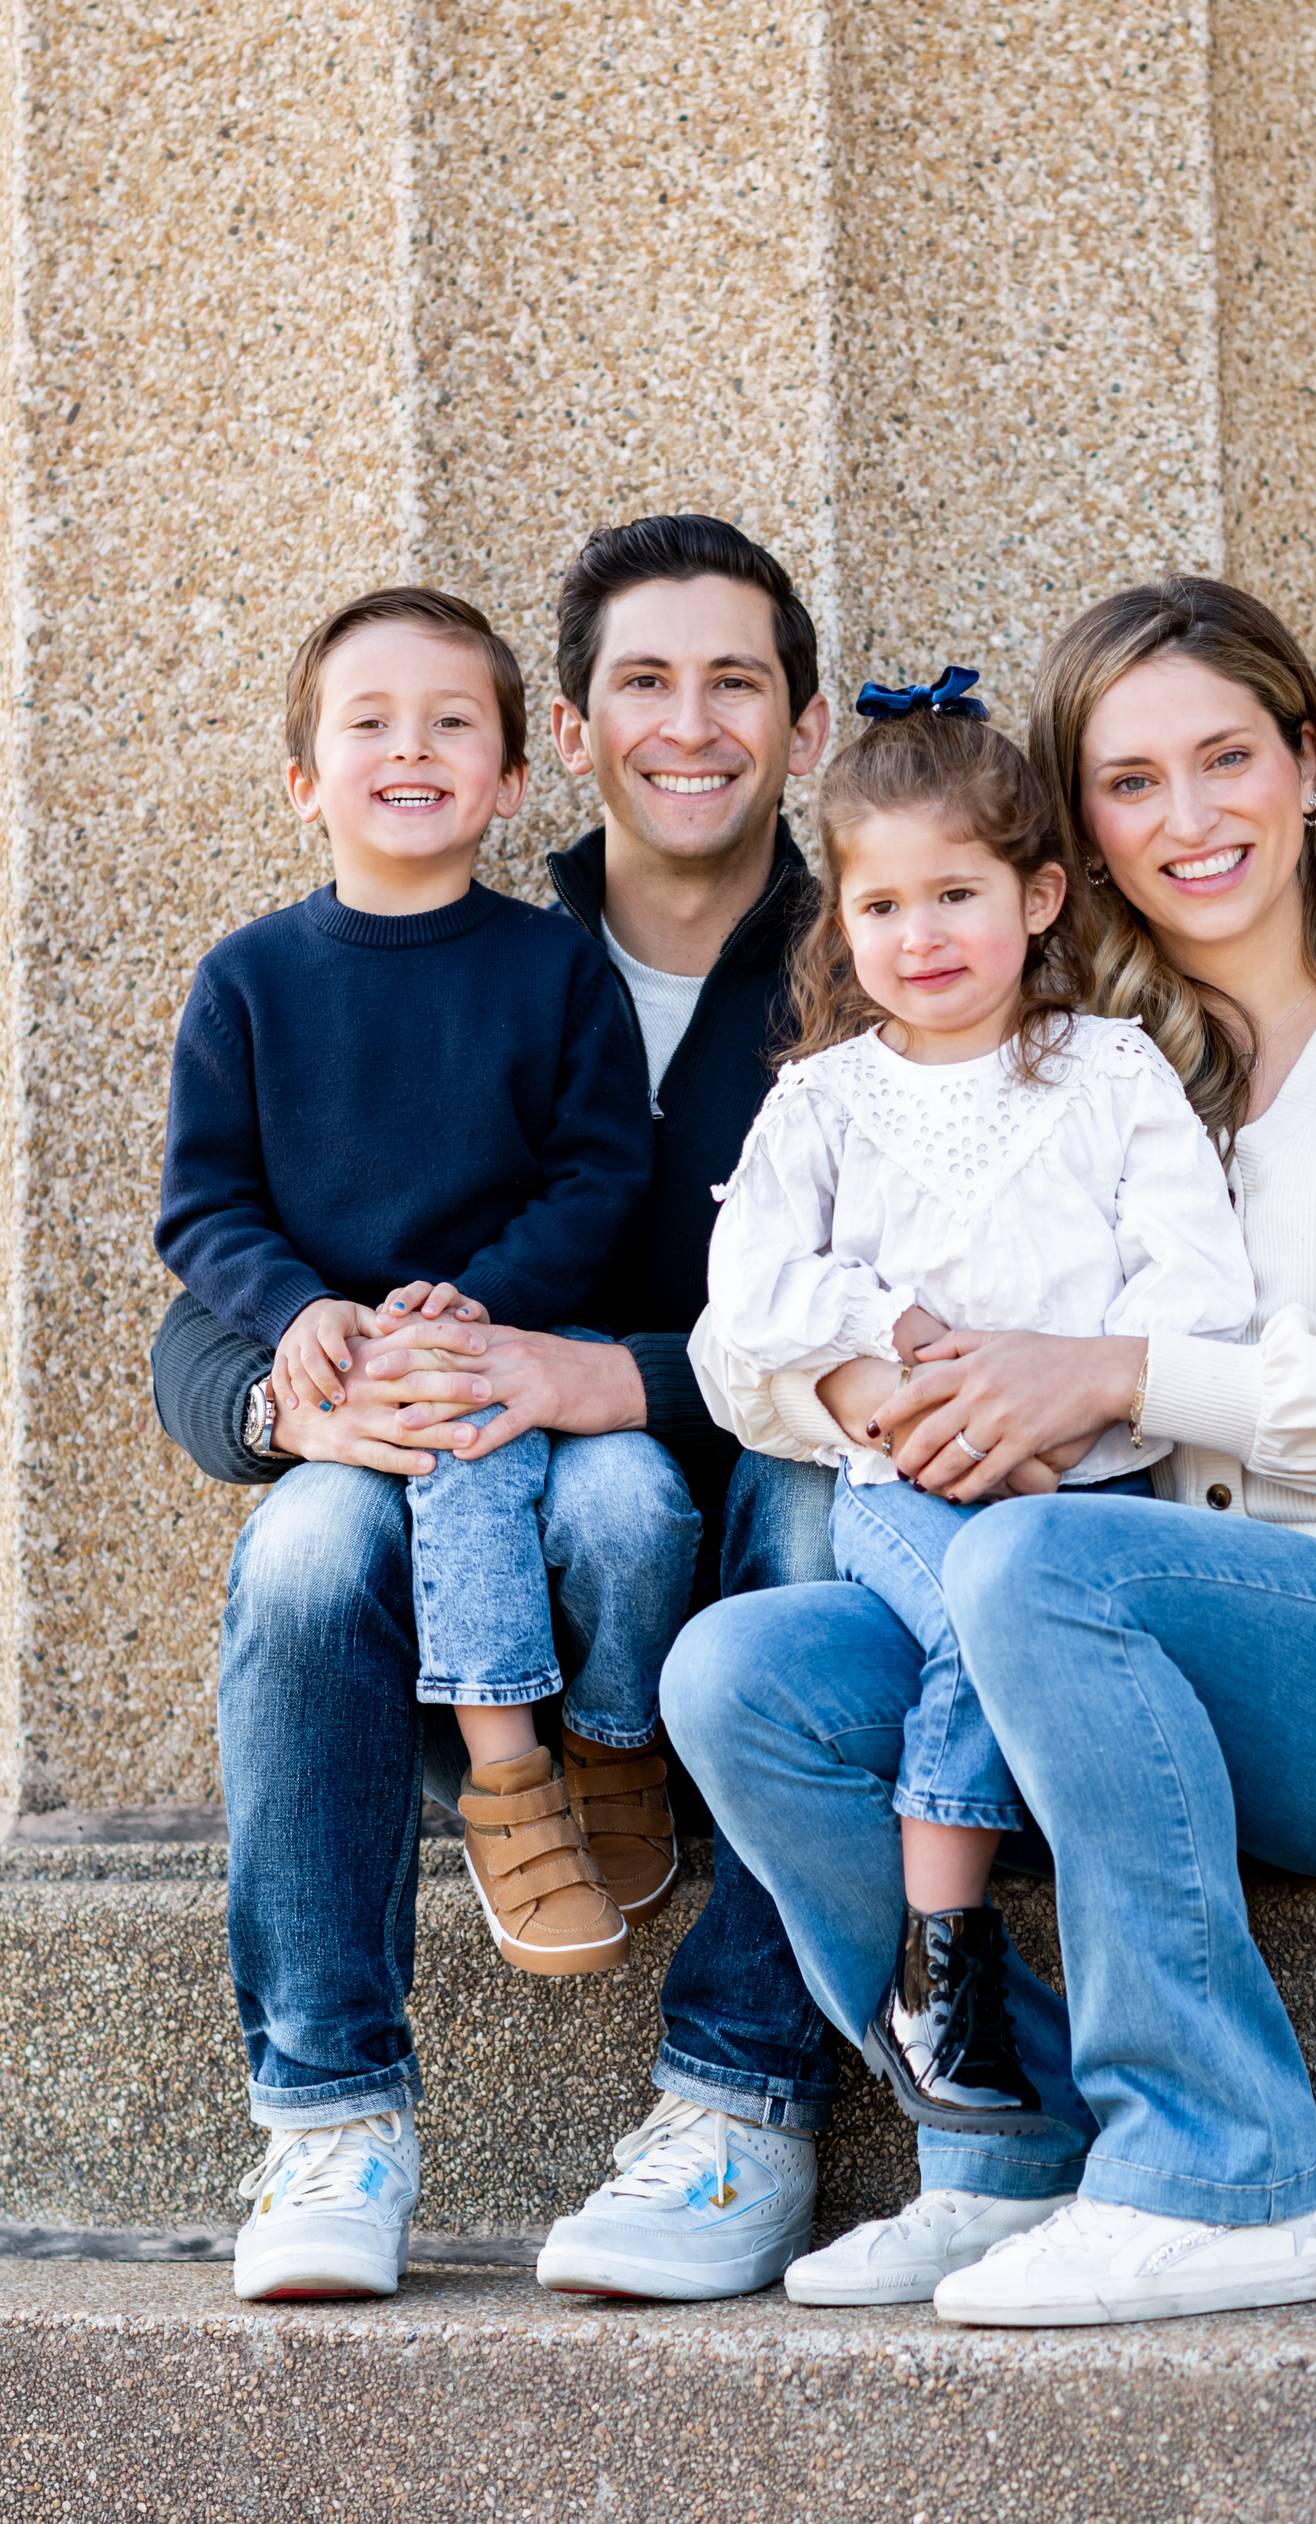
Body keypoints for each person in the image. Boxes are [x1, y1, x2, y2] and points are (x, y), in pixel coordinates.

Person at [663, 575, 1316, 2321]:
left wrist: (1116, 1372)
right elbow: (743, 1339)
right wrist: (870, 1398)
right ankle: (1006, 2144)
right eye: (1129, 781)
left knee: (1038, 1562)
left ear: (1303, 761)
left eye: (1225, 758)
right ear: (1076, 833)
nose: (1188, 817)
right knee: (743, 1675)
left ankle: (1225, 2171)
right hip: (1114, 1636)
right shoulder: (1070, 1050)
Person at [151, 516, 857, 2304]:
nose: (689, 726)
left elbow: (937, 1320)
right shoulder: (448, 941)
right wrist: (289, 1402)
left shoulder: (889, 959)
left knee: (816, 1515)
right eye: (645, 682)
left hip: (704, 1538)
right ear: (577, 723)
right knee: (303, 1549)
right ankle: (330, 2115)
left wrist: (599, 1373)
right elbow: (201, 1283)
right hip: (438, 1552)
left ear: (809, 724)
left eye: (735, 685)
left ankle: (739, 2107)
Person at [696, 669, 1252, 2144]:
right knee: (980, 1626)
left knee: (1021, 1615)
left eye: (956, 895)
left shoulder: (1108, 1075)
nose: (919, 936)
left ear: (1044, 895)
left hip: (1092, 1496)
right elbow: (745, 1303)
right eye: (880, 909)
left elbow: (1196, 1296)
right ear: (840, 924)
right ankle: (947, 1961)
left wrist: (1064, 1419)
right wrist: (884, 1347)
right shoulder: (819, 1105)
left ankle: (951, 1987)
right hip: (904, 1489)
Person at [157, 584, 665, 2012]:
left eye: (453, 723)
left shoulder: (555, 968)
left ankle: (614, 1746)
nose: (413, 747)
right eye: (369, 722)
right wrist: (300, 1310)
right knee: (441, 1459)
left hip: (524, 1346)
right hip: (357, 1381)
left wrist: (486, 1308)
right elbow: (203, 1206)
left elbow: (596, 1177)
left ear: (510, 777)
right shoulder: (248, 982)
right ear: (305, 782)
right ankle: (509, 1787)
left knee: (632, 1510)